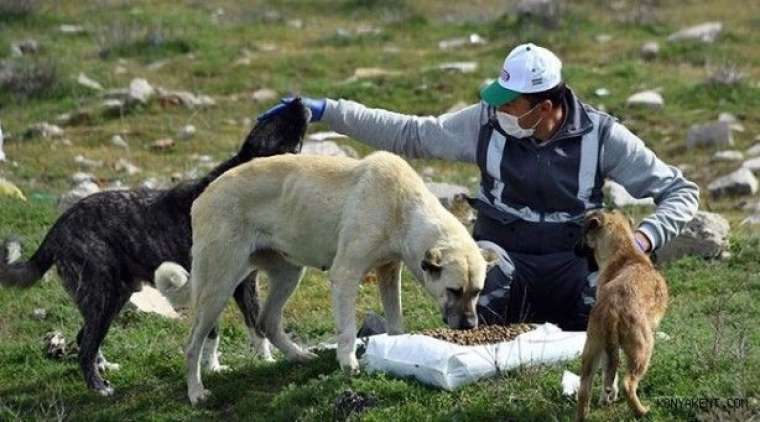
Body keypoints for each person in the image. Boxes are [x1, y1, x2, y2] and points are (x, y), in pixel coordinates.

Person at [258, 43, 700, 330]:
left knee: (616, 310)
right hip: (502, 263)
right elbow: (412, 133)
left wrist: (643, 238)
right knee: (466, 300)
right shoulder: (485, 124)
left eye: (511, 104)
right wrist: (327, 110)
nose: (500, 110)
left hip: (573, 265)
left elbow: (682, 192)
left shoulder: (604, 136)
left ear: (546, 106)